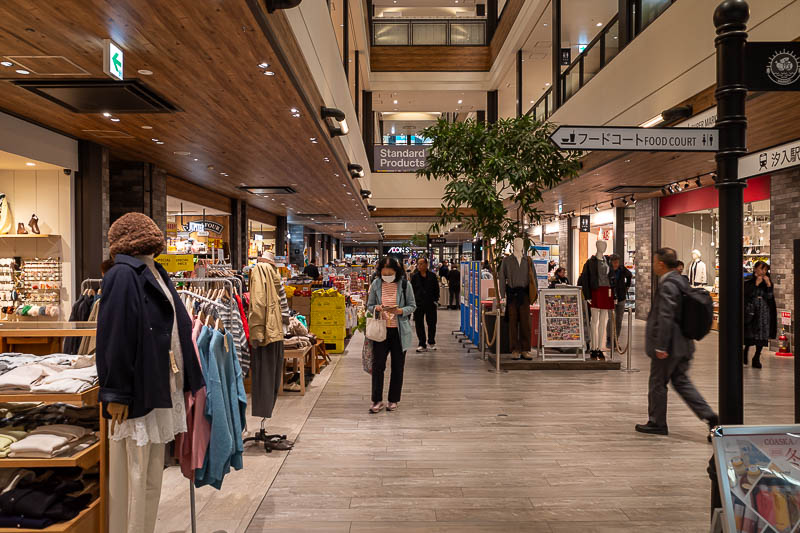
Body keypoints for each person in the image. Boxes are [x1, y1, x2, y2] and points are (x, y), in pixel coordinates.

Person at [635, 247, 718, 436]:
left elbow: (666, 316)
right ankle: (709, 416)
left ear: (661, 264)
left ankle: (657, 422)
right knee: (681, 381)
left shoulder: (668, 285)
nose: (654, 265)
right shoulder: (681, 281)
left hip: (670, 346)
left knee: (657, 382)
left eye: (655, 262)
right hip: (684, 344)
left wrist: (661, 346)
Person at [366, 257, 416, 413]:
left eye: (390, 272)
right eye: (384, 272)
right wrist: (377, 308)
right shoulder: (376, 284)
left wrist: (400, 311)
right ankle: (376, 400)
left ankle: (393, 399)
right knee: (378, 365)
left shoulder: (404, 285)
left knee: (397, 366)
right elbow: (369, 306)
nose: (387, 275)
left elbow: (412, 306)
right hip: (381, 330)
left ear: (396, 271)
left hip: (399, 331)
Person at [744, 261, 777, 369]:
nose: (763, 271)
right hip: (752, 313)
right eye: (761, 269)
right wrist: (756, 284)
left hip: (764, 313)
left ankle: (756, 357)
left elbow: (770, 297)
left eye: (765, 269)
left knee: (762, 335)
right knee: (750, 334)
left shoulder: (767, 282)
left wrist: (768, 285)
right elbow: (747, 295)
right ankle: (745, 352)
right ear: (755, 269)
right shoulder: (749, 281)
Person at [411, 257, 440, 352]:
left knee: (431, 323)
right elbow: (412, 290)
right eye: (418, 264)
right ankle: (422, 343)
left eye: (421, 264)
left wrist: (435, 300)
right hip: (418, 304)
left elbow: (436, 289)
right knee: (419, 324)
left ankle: (431, 342)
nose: (419, 266)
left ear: (426, 265)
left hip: (430, 303)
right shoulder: (414, 277)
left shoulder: (432, 276)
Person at [606, 254, 633, 349]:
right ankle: (609, 340)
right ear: (611, 262)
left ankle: (615, 340)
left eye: (617, 262)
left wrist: (627, 286)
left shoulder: (622, 269)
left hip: (621, 297)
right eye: (614, 262)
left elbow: (629, 275)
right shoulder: (608, 270)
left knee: (619, 320)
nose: (616, 264)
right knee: (611, 319)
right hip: (611, 298)